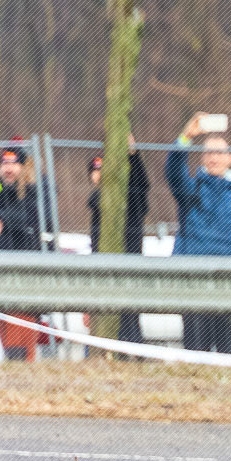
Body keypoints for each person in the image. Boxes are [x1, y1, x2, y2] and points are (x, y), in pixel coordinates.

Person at [166, 113, 231, 353]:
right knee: (196, 351)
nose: (214, 158)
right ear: (202, 158)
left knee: (229, 351)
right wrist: (186, 137)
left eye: (219, 153)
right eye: (209, 153)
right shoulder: (191, 190)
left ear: (230, 159)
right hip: (194, 280)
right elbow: (173, 172)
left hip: (229, 283)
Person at [0, 143, 46, 360]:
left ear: (23, 166)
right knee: (6, 337)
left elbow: (28, 218)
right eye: (5, 162)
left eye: (13, 163)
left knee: (20, 340)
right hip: (0, 275)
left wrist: (2, 221)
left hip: (24, 274)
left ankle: (21, 370)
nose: (8, 168)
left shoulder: (34, 188)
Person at [86, 135, 150, 346]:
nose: (100, 174)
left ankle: (132, 351)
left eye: (103, 169)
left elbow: (141, 186)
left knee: (129, 318)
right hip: (103, 270)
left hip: (128, 265)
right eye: (96, 170)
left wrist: (132, 155)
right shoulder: (96, 204)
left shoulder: (129, 199)